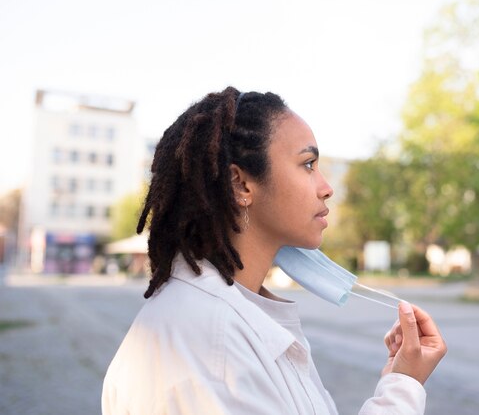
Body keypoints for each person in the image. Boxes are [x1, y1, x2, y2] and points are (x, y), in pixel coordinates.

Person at [102, 87, 447, 414]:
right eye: (308, 164)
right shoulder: (212, 343)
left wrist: (401, 379)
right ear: (241, 184)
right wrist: (403, 387)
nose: (326, 188)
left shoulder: (231, 317)